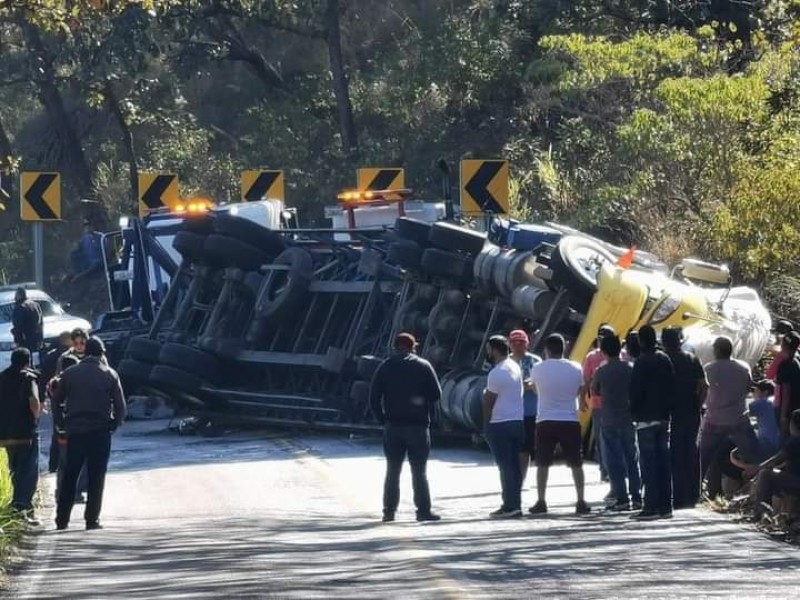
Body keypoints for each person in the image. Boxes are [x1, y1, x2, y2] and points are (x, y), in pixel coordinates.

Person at [53, 337, 126, 531]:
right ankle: (91, 520)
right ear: (102, 353)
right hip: (100, 432)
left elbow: (56, 401)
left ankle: (62, 520)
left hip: (75, 431)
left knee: (70, 475)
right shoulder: (109, 374)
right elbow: (121, 407)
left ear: (86, 352)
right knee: (96, 477)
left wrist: (61, 423)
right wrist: (113, 425)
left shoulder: (69, 374)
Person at [369, 333, 442, 523]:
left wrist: (382, 420)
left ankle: (389, 511)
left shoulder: (385, 366)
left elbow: (373, 397)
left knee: (393, 470)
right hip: (417, 427)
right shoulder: (423, 366)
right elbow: (436, 394)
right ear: (413, 347)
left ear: (395, 347)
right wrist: (420, 399)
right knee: (419, 470)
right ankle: (423, 511)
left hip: (393, 426)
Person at [529, 334, 591, 515]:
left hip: (545, 419)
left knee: (542, 463)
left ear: (547, 349)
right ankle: (580, 500)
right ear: (564, 348)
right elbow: (580, 390)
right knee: (576, 463)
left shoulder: (538, 368)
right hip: (570, 419)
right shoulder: (575, 368)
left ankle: (541, 501)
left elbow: (535, 388)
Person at [698, 336, 760, 500]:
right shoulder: (744, 367)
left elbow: (703, 390)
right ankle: (758, 488)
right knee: (754, 455)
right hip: (738, 418)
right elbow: (748, 387)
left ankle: (694, 491)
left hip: (714, 419)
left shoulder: (709, 368)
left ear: (717, 350)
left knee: (703, 457)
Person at [591, 334, 641, 511]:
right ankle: (636, 496)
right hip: (628, 418)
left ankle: (621, 498)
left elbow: (594, 391)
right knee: (632, 458)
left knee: (613, 460)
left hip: (609, 419)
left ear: (603, 351)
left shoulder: (601, 370)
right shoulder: (631, 367)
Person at [629, 325, 675, 520]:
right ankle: (666, 506)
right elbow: (673, 385)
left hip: (646, 418)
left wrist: (633, 411)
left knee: (648, 464)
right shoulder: (665, 359)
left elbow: (635, 391)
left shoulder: (641, 362)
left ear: (640, 341)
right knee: (663, 463)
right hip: (664, 418)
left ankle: (651, 506)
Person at [662, 327, 708, 509]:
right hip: (691, 411)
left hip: (671, 412)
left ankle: (678, 496)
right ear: (680, 341)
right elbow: (704, 385)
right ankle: (694, 495)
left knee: (675, 454)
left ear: (665, 343)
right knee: (691, 451)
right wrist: (698, 403)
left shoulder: (664, 360)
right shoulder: (692, 358)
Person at [482, 335, 525, 519]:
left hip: (500, 423)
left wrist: (485, 424)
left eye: (488, 349)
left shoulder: (496, 373)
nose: (487, 353)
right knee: (514, 466)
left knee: (505, 466)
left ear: (494, 349)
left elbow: (488, 402)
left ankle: (509, 505)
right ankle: (515, 502)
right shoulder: (514, 366)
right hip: (517, 421)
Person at [0, 348, 43, 525]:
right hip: (25, 433)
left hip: (5, 434)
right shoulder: (28, 377)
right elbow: (34, 401)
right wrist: (36, 415)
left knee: (15, 470)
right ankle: (22, 509)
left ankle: (17, 507)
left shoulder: (1, 377)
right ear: (28, 361)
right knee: (29, 472)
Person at [745, 409, 800, 520]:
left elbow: (778, 458)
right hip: (794, 478)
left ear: (793, 425)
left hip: (796, 481)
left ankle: (760, 513)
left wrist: (758, 468)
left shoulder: (795, 441)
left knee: (765, 474)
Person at [583, 325, 617, 496]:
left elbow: (587, 380)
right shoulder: (621, 356)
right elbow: (586, 380)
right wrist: (582, 399)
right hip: (606, 404)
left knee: (603, 437)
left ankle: (606, 471)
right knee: (605, 438)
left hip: (600, 404)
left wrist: (582, 399)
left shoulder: (592, 356)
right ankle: (606, 471)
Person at [508, 329, 541, 484]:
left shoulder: (535, 361)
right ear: (509, 344)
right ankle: (511, 477)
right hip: (510, 411)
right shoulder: (505, 363)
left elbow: (539, 383)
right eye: (514, 342)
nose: (518, 346)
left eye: (521, 342)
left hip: (530, 411)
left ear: (527, 344)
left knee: (525, 447)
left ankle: (521, 479)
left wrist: (526, 386)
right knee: (511, 447)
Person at [42, 331, 72, 473]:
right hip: (70, 397)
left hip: (55, 397)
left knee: (57, 430)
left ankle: (53, 464)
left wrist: (44, 397)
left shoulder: (50, 356)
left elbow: (43, 379)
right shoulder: (70, 358)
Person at [767, 321, 795, 420]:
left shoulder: (782, 355)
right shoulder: (796, 351)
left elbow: (769, 375)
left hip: (782, 400)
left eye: (778, 334)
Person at [750, 380, 781, 460]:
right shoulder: (778, 400)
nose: (754, 394)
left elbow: (740, 413)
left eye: (756, 391)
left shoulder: (762, 402)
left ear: (765, 392)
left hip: (768, 445)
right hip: (781, 443)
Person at [777, 332, 800, 439]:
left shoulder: (786, 364)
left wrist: (783, 416)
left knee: (785, 438)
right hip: (796, 406)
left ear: (784, 345)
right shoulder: (797, 361)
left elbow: (786, 392)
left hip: (788, 409)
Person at [11, 288, 43, 358]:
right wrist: (40, 338)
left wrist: (17, 341)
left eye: (16, 295)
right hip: (36, 339)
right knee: (35, 359)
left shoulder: (20, 307)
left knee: (25, 359)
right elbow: (41, 324)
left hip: (25, 340)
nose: (14, 297)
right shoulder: (35, 305)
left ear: (19, 295)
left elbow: (18, 326)